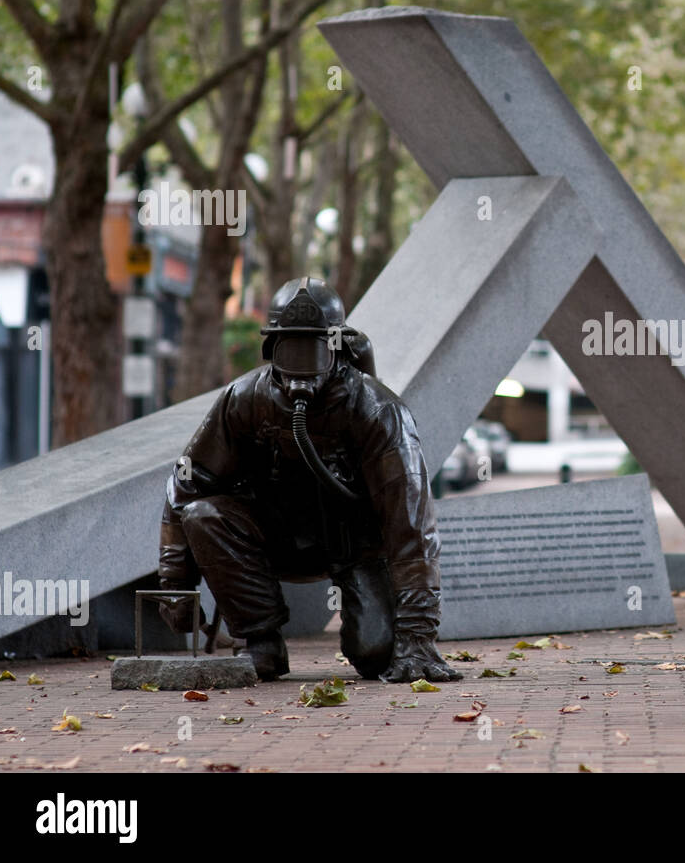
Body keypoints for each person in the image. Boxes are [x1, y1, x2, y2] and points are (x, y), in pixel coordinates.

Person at [156, 277, 461, 684]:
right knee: (203, 515)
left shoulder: (378, 411)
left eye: (312, 348)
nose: (301, 365)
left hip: (354, 547)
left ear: (337, 346)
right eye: (291, 348)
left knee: (376, 654)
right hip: (274, 535)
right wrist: (175, 581)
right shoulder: (243, 399)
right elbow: (187, 482)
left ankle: (385, 637)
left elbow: (412, 527)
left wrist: (417, 636)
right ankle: (259, 642)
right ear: (271, 350)